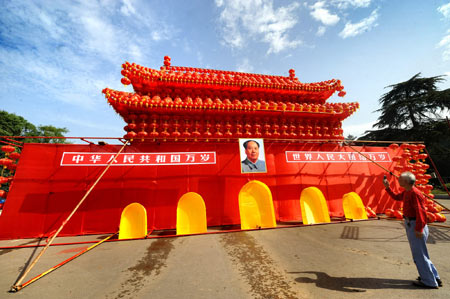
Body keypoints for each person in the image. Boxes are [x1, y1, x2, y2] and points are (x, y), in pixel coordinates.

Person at [383, 171, 442, 289]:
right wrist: (387, 187)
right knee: (422, 253)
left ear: (406, 181)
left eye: (400, 179)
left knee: (419, 255)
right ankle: (433, 277)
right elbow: (396, 197)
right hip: (413, 223)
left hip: (415, 224)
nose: (398, 180)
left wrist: (418, 229)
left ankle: (429, 281)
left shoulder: (415, 193)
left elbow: (421, 212)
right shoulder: (407, 192)